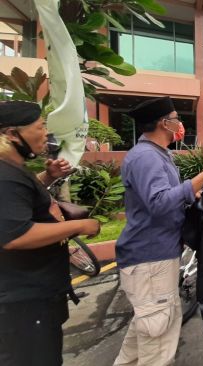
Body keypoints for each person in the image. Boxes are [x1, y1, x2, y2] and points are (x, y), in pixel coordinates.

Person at [114, 97, 203, 365]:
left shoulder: (158, 154)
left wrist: (193, 194)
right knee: (158, 346)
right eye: (176, 118)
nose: (180, 124)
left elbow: (167, 197)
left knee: (141, 340)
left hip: (154, 258)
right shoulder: (146, 158)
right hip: (150, 262)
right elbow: (158, 203)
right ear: (163, 123)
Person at [0, 101, 100, 365]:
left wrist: (47, 176)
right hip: (24, 302)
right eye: (40, 127)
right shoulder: (4, 176)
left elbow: (21, 204)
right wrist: (79, 225)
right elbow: (15, 235)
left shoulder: (14, 169)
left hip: (36, 296)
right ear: (12, 134)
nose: (46, 133)